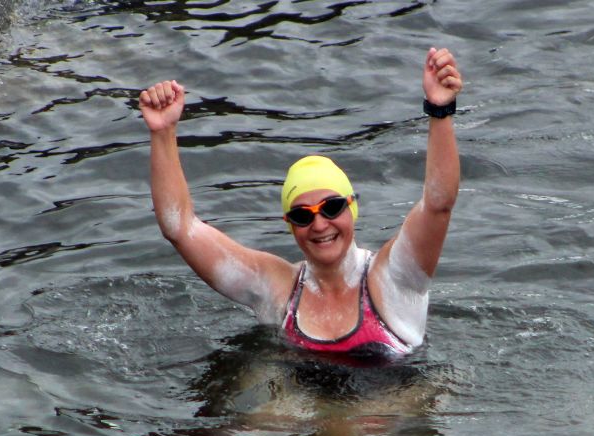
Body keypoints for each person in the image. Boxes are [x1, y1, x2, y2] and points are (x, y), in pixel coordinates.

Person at [139, 47, 462, 356]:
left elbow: (438, 204)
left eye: (332, 208)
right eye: (302, 215)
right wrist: (163, 132)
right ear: (289, 224)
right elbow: (180, 227)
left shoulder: (395, 278)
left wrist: (440, 110)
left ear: (352, 207)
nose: (319, 224)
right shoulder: (275, 289)